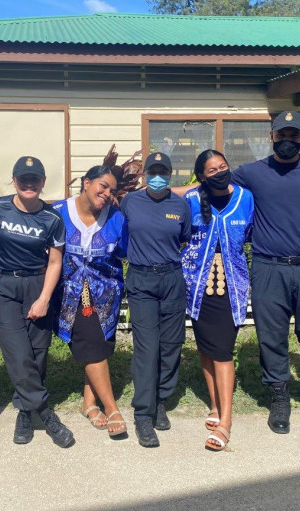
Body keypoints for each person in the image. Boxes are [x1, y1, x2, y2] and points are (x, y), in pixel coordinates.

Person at [231, 110, 300, 434]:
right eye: (282, 136)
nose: (287, 142)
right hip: (268, 268)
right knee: (271, 336)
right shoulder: (252, 172)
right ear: (271, 137)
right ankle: (279, 395)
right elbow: (217, 189)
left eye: (294, 136)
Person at [0, 156, 74, 448]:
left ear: (43, 183)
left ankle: (24, 411)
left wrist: (45, 298)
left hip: (37, 283)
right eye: (24, 178)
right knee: (18, 352)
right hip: (3, 285)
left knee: (37, 351)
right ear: (14, 181)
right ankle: (46, 414)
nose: (29, 183)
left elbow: (56, 260)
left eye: (35, 179)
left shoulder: (52, 218)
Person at [181, 150, 253, 451]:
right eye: (212, 170)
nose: (220, 172)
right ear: (202, 176)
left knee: (223, 352)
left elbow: (250, 233)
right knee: (206, 349)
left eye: (223, 166)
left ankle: (226, 420)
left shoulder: (246, 198)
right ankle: (214, 404)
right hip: (197, 286)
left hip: (230, 287)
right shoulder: (191, 200)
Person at [121, 152, 191, 448]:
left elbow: (184, 237)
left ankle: (161, 398)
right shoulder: (131, 202)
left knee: (172, 344)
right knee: (147, 347)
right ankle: (143, 413)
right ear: (145, 174)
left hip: (172, 278)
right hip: (141, 280)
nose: (157, 176)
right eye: (153, 171)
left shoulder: (180, 204)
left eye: (163, 171)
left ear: (170, 174)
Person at [53, 166, 128, 438]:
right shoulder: (58, 212)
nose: (106, 193)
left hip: (107, 293)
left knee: (98, 345)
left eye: (112, 190)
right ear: (86, 183)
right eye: (102, 186)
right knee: (92, 345)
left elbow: (124, 250)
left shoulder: (117, 217)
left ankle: (89, 403)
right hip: (70, 295)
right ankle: (112, 408)